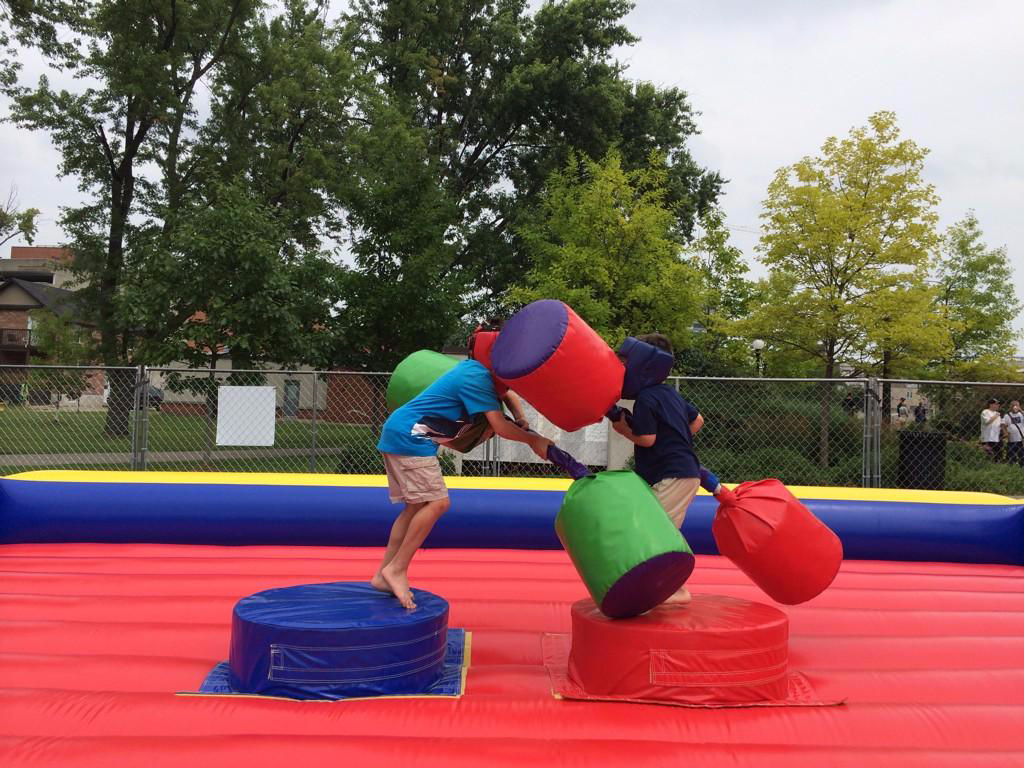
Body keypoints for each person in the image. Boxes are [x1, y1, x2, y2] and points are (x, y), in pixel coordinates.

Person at [374, 333, 552, 610]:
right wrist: (533, 440)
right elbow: (500, 427)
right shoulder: (477, 378)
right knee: (438, 503)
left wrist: (521, 419)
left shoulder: (488, 378)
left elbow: (510, 395)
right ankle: (396, 569)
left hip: (403, 432)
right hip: (412, 437)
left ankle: (383, 573)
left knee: (414, 508)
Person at [609, 332, 703, 606]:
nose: (624, 368)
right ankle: (665, 585)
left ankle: (676, 589)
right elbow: (698, 420)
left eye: (627, 361)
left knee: (657, 531)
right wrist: (676, 438)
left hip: (673, 475)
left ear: (644, 364)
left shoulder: (647, 399)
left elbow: (647, 439)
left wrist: (625, 431)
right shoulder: (668, 394)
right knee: (658, 529)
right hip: (679, 472)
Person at [1003, 401, 1024, 466]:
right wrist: (1006, 433)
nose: (1015, 407)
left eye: (1017, 405)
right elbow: (1003, 425)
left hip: (1021, 440)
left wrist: (1020, 410)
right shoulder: (1007, 415)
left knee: (1022, 455)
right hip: (1011, 440)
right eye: (1013, 405)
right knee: (1012, 455)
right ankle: (1012, 467)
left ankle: (1022, 467)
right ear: (1010, 407)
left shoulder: (1021, 414)